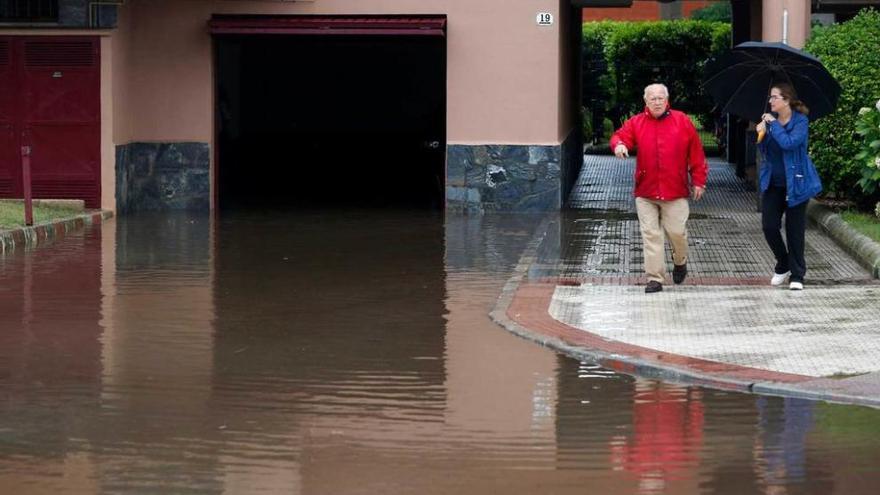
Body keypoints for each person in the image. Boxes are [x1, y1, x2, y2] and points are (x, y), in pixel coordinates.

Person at [610, 83, 708, 293]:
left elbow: (696, 152)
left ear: (667, 100)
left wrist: (698, 180)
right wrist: (619, 144)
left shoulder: (682, 121)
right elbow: (620, 136)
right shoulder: (637, 122)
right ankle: (655, 278)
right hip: (646, 192)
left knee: (677, 233)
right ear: (646, 101)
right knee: (651, 235)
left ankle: (680, 261)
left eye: (660, 98)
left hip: (675, 191)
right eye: (652, 98)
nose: (656, 102)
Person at [755, 83, 822, 291]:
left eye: (774, 97)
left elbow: (789, 144)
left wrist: (773, 125)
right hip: (774, 183)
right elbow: (765, 149)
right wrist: (761, 133)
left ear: (786, 100)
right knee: (769, 226)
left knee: (795, 230)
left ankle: (797, 274)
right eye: (771, 97)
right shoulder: (770, 121)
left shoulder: (800, 121)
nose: (770, 101)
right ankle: (783, 263)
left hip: (796, 183)